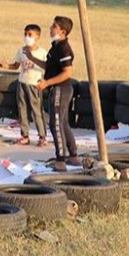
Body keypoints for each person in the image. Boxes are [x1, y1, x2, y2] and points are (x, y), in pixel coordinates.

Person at [36, 16, 80, 172]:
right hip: (57, 89)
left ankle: (60, 159)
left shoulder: (64, 48)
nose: (50, 28)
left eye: (54, 26)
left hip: (61, 89)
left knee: (55, 124)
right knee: (63, 122)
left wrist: (47, 83)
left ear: (62, 31)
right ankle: (73, 155)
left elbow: (67, 73)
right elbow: (49, 66)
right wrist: (30, 57)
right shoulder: (55, 46)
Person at [0, 24, 48, 147]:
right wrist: (4, 65)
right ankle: (25, 135)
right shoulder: (21, 51)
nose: (26, 37)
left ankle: (42, 136)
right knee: (22, 110)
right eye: (25, 34)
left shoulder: (42, 53)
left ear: (37, 37)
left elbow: (47, 67)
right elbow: (15, 66)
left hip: (35, 84)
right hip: (22, 82)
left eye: (30, 35)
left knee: (37, 111)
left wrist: (45, 81)